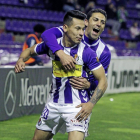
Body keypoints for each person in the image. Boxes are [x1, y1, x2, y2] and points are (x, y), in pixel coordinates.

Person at [15, 10, 108, 140]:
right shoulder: (53, 46)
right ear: (65, 28)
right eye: (77, 29)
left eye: (83, 29)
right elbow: (29, 51)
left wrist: (90, 104)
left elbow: (103, 80)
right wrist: (20, 60)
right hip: (53, 104)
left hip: (77, 107)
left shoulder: (87, 52)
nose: (81, 33)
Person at [41, 8, 111, 138]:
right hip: (56, 99)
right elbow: (46, 35)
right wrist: (60, 53)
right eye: (95, 20)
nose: (99, 24)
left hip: (79, 102)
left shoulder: (104, 52)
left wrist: (89, 85)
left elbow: (101, 81)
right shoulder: (70, 32)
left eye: (103, 22)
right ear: (86, 22)